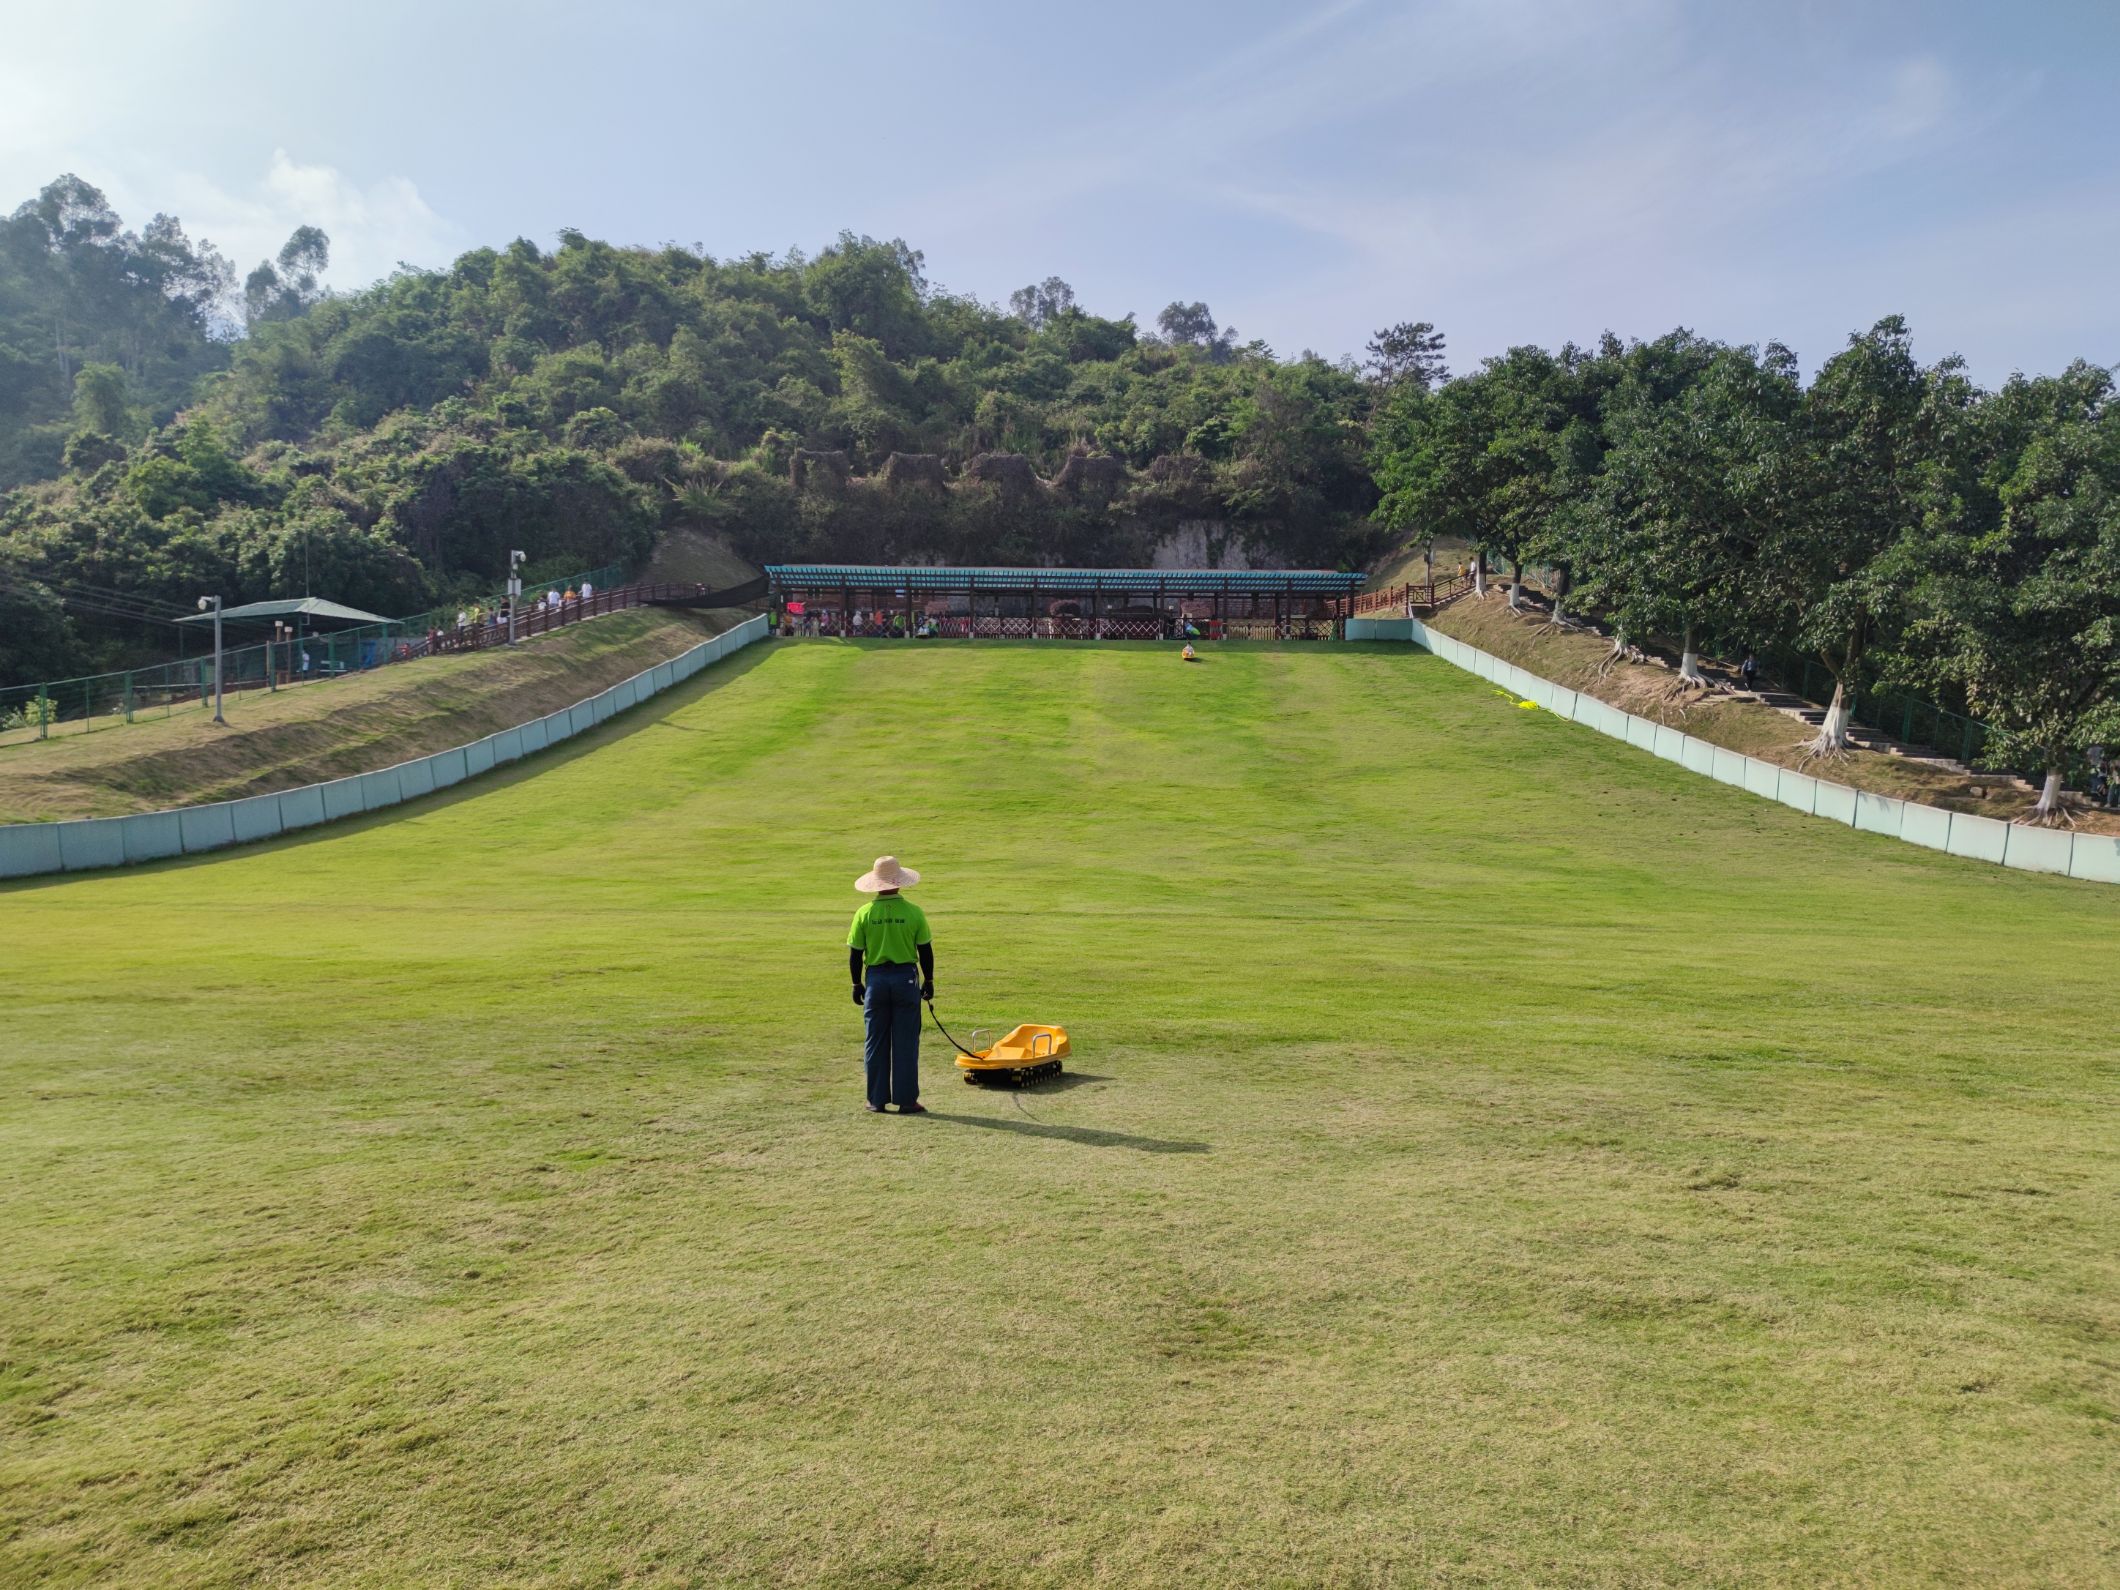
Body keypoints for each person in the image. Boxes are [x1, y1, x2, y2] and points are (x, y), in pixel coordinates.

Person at [845, 855, 933, 1115]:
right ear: (899, 883)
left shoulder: (864, 913)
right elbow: (925, 950)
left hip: (876, 980)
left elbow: (855, 953)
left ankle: (876, 1099)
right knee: (906, 1041)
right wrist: (929, 980)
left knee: (875, 1040)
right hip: (905, 978)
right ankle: (907, 1100)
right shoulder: (913, 912)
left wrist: (855, 983)